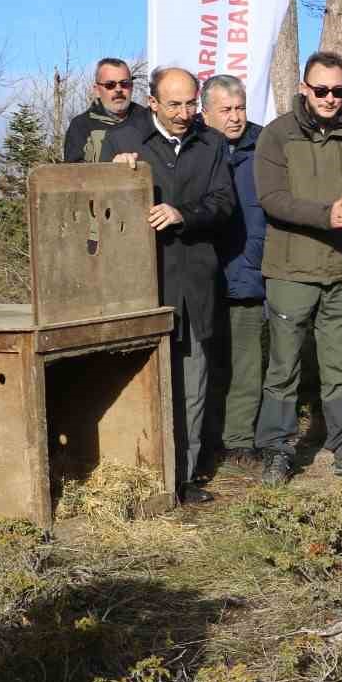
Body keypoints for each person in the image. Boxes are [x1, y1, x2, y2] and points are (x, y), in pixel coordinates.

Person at [254, 50, 342, 484]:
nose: (331, 98)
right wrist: (323, 215)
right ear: (303, 89)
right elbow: (272, 198)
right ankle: (277, 449)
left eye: (338, 90)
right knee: (283, 367)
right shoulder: (276, 136)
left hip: (337, 271)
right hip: (290, 271)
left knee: (341, 365)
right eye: (322, 90)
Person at [104, 68, 235, 504]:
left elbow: (224, 204)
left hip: (195, 280)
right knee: (141, 380)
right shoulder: (125, 144)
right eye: (174, 104)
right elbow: (96, 212)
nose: (184, 113)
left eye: (190, 103)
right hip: (143, 283)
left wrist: (183, 214)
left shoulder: (213, 144)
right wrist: (114, 176)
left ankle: (185, 477)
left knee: (193, 380)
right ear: (154, 103)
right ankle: (140, 474)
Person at [197, 74, 267, 470]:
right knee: (206, 362)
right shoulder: (194, 150)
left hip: (248, 271)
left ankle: (239, 441)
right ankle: (205, 438)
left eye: (240, 108)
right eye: (226, 110)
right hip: (204, 276)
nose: (235, 117)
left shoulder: (264, 148)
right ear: (206, 113)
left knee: (245, 363)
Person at [63, 57, 150, 163]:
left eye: (124, 83)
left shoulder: (148, 121)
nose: (118, 89)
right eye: (110, 85)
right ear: (97, 90)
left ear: (132, 86)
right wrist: (111, 169)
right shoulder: (81, 126)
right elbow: (73, 173)